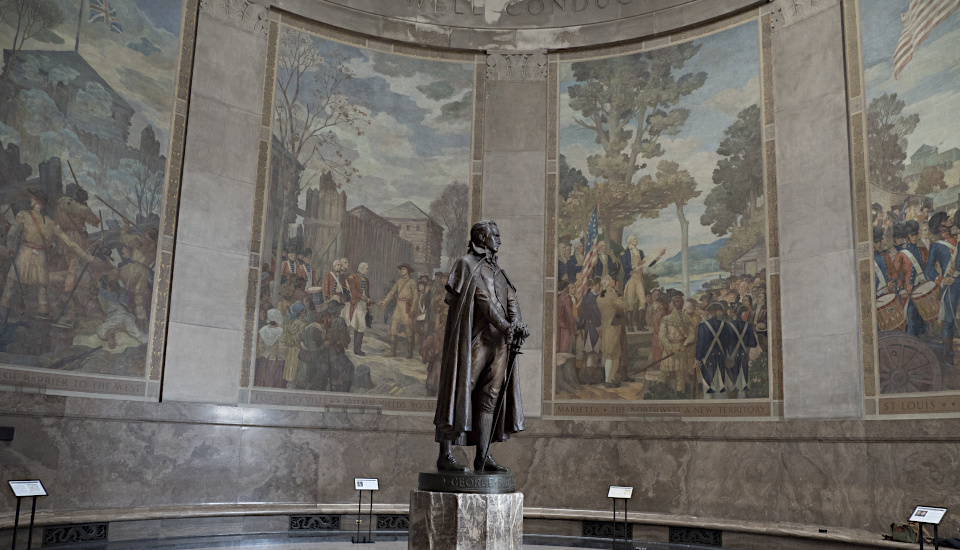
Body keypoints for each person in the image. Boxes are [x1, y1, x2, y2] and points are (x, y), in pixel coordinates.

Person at [434, 220, 527, 473]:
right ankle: (445, 454)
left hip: (499, 343)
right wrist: (507, 325)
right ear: (481, 237)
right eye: (494, 235)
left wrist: (517, 323)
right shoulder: (466, 264)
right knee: (460, 388)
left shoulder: (498, 271)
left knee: (490, 398)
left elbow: (510, 299)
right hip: (476, 340)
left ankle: (483, 456)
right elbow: (483, 300)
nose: (499, 240)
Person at [0, 190, 97, 321]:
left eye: (32, 199)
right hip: (40, 258)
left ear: (35, 201)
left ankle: (1, 321)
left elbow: (12, 234)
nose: (31, 200)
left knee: (10, 287)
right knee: (42, 292)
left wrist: (10, 249)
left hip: (24, 255)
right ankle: (42, 322)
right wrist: (88, 257)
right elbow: (70, 243)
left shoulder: (23, 215)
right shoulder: (51, 223)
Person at [924, 212, 960, 364]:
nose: (949, 220)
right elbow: (929, 270)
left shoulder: (958, 239)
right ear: (941, 226)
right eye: (946, 220)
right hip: (951, 284)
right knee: (949, 320)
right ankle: (948, 357)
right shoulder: (936, 246)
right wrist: (942, 280)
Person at [55, 185, 100, 294]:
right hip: (76, 237)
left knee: (68, 262)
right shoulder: (80, 207)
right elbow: (96, 221)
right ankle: (68, 290)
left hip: (64, 236)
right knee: (74, 264)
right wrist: (86, 207)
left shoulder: (60, 203)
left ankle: (67, 289)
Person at [620, 235, 664, 331]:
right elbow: (625, 267)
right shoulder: (624, 253)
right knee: (630, 302)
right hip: (630, 279)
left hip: (639, 279)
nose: (637, 240)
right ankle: (630, 326)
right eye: (635, 239)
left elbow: (648, 263)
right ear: (631, 241)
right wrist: (636, 266)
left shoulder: (640, 252)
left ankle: (640, 325)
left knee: (643, 301)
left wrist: (658, 257)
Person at [893, 219, 928, 337]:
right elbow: (895, 275)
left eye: (916, 234)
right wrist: (900, 289)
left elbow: (927, 268)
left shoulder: (922, 251)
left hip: (922, 290)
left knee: (923, 320)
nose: (915, 237)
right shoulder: (901, 255)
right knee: (912, 321)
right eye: (913, 235)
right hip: (909, 293)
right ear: (907, 236)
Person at [378, 264, 419, 358]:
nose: (402, 271)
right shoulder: (399, 281)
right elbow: (392, 292)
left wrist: (413, 308)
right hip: (398, 307)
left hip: (406, 307)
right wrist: (385, 301)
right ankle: (393, 351)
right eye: (402, 269)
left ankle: (409, 352)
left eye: (404, 269)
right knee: (393, 329)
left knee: (408, 329)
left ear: (408, 271)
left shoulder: (412, 282)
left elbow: (416, 296)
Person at [659, 291, 695, 395]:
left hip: (670, 349)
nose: (669, 305)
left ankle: (659, 395)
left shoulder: (666, 319)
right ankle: (680, 396)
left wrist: (670, 348)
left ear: (673, 304)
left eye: (670, 303)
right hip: (681, 349)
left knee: (663, 374)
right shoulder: (686, 318)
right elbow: (691, 335)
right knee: (680, 376)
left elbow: (662, 336)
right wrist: (684, 345)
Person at [597, 275, 626, 388]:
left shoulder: (600, 296)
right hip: (612, 328)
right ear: (609, 283)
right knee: (611, 355)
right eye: (612, 280)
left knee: (615, 354)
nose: (614, 281)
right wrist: (621, 297)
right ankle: (608, 381)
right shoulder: (611, 294)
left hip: (606, 327)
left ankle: (612, 379)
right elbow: (625, 305)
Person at [724, 304, 757, 398]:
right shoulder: (748, 326)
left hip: (731, 357)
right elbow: (753, 343)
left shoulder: (728, 325)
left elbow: (724, 342)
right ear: (742, 314)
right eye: (745, 313)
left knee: (732, 381)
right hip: (743, 357)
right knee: (742, 384)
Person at [696, 302, 728, 398]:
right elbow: (726, 343)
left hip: (707, 358)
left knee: (708, 383)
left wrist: (697, 358)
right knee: (720, 381)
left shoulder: (702, 325)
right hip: (721, 357)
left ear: (710, 313)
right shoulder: (724, 325)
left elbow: (700, 343)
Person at [578, 277, 603, 384]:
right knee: (592, 350)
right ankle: (589, 377)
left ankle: (589, 376)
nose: (600, 287)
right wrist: (598, 326)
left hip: (589, 325)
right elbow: (595, 314)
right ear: (596, 285)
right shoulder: (593, 297)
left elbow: (582, 313)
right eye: (599, 285)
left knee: (590, 351)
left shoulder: (586, 296)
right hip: (593, 326)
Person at [346, 261, 372, 356]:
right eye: (367, 268)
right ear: (361, 269)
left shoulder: (366, 280)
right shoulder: (352, 277)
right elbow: (354, 292)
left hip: (363, 305)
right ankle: (357, 349)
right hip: (356, 304)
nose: (368, 270)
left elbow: (367, 293)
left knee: (359, 326)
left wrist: (369, 305)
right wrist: (364, 298)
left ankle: (357, 348)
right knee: (360, 325)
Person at [254, 309, 285, 388]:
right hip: (276, 358)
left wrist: (261, 354)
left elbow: (260, 345)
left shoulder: (263, 330)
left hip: (265, 357)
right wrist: (282, 357)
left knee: (264, 375)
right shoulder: (280, 331)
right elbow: (281, 346)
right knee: (274, 376)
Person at [556, 280, 576, 354]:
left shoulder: (559, 296)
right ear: (565, 288)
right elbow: (569, 314)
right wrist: (574, 327)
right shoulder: (565, 298)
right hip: (565, 326)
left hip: (559, 325)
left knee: (559, 345)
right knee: (564, 347)